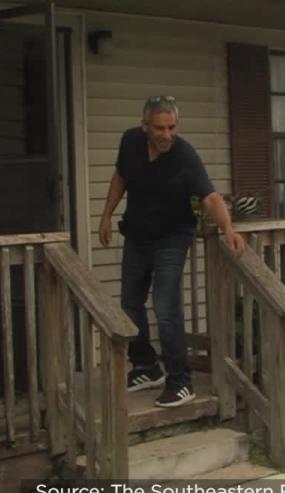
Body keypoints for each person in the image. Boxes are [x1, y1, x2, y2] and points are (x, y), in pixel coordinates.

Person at [99, 96, 245, 408]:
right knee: (129, 304)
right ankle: (146, 366)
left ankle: (180, 382)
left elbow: (209, 196)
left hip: (172, 237)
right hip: (137, 235)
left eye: (172, 128)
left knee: (166, 308)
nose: (166, 135)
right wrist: (106, 215)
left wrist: (228, 229)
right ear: (145, 126)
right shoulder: (130, 142)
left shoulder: (184, 155)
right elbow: (121, 177)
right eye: (159, 128)